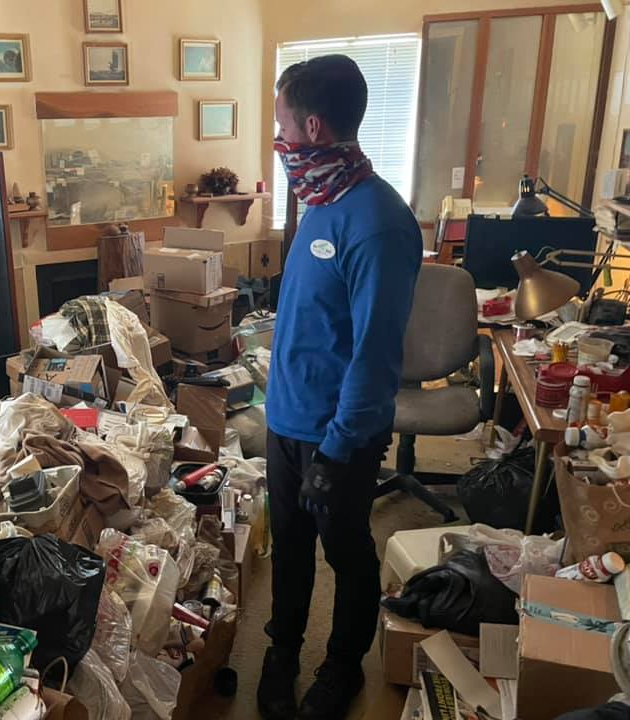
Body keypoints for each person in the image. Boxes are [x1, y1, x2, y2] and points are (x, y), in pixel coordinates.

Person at [258, 55, 422, 720]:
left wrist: (336, 450)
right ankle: (281, 652)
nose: (281, 143)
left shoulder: (378, 222)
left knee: (346, 551)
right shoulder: (318, 200)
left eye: (283, 128)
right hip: (284, 420)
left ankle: (343, 666)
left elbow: (376, 356)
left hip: (337, 435)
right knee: (289, 549)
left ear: (314, 127)